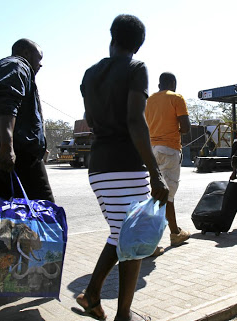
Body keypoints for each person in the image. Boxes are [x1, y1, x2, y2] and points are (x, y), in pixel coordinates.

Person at [78, 14, 168, 321]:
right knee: (134, 239)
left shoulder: (90, 74)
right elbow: (134, 120)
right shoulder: (136, 68)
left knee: (121, 234)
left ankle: (92, 295)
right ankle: (123, 316)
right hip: (125, 167)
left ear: (112, 37)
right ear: (138, 45)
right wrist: (155, 172)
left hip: (98, 166)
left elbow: (91, 120)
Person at [0, 39, 55, 310]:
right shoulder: (16, 65)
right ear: (26, 53)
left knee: (7, 218)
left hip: (10, 152)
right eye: (38, 60)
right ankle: (39, 277)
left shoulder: (16, 68)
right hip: (13, 155)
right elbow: (6, 102)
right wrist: (8, 147)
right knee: (44, 212)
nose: (40, 65)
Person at [145, 72, 191, 249]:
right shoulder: (176, 98)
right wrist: (176, 131)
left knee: (159, 193)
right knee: (166, 195)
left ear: (159, 85)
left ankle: (174, 231)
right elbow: (185, 127)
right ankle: (159, 238)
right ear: (172, 83)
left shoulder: (148, 101)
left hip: (151, 150)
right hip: (169, 150)